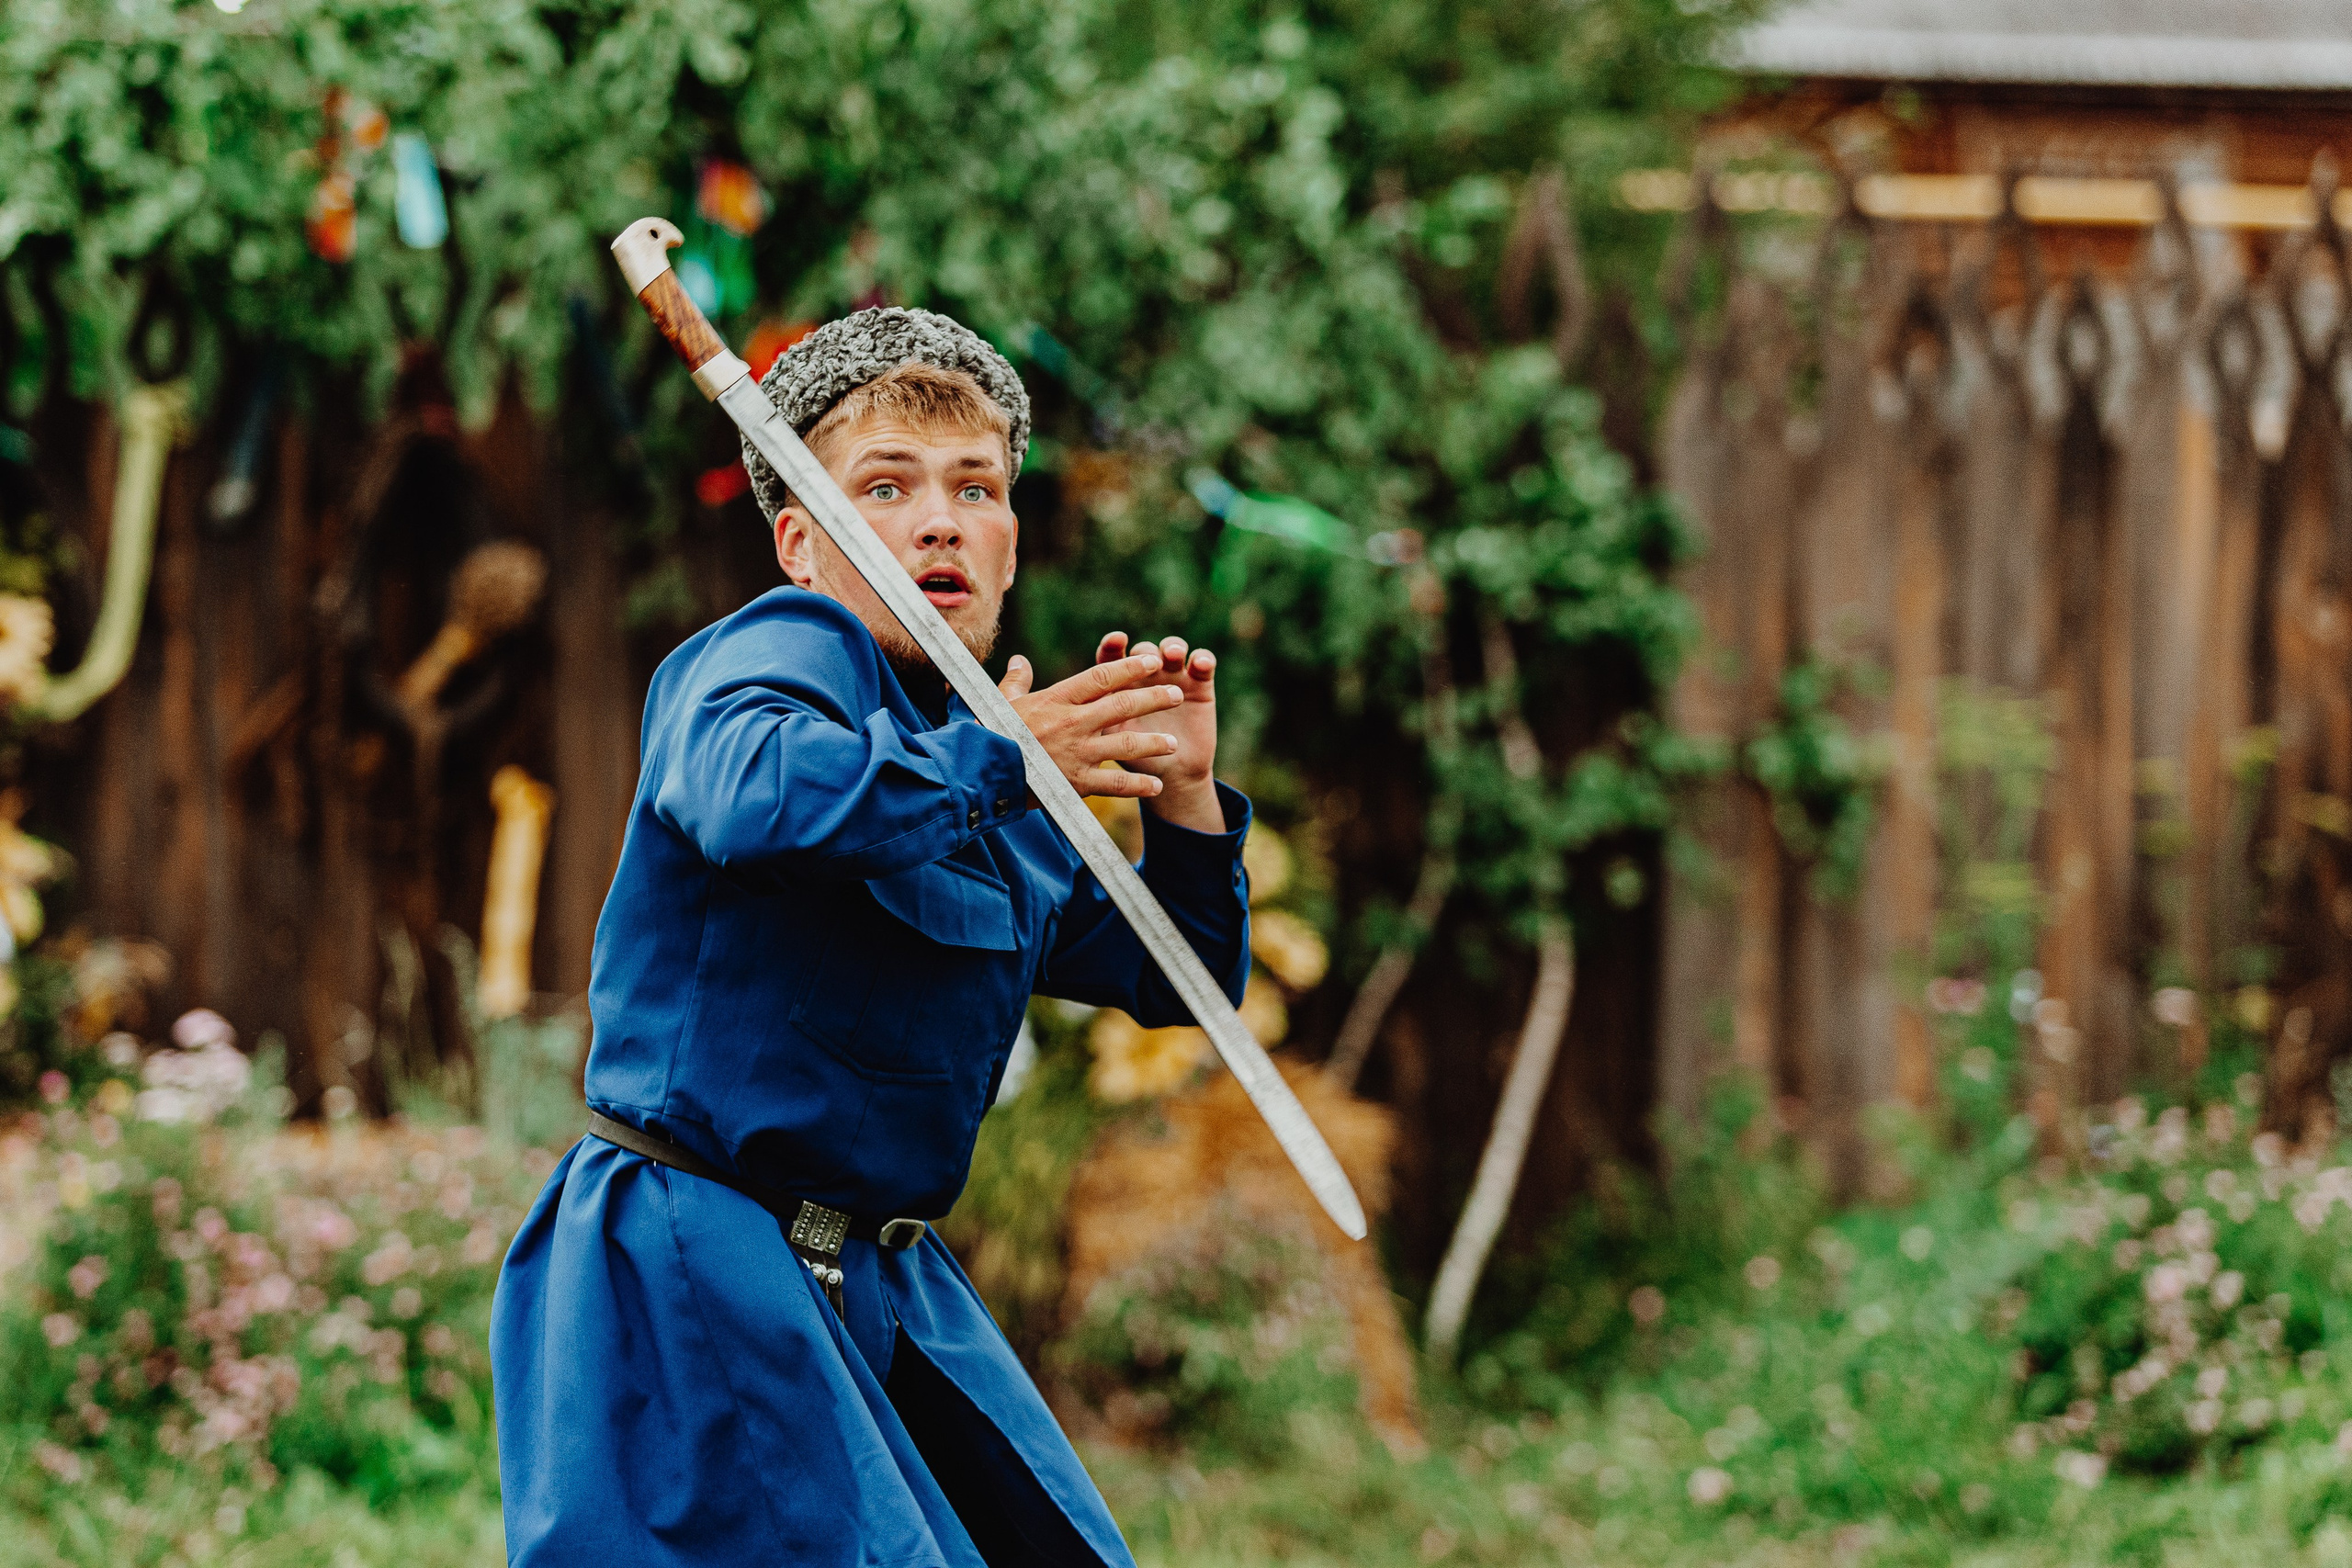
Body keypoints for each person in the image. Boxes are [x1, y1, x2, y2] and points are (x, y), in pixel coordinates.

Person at [490, 307, 1252, 1568]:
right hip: (699, 1263)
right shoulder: (776, 656)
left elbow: (1180, 983)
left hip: (884, 1286)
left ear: (1010, 548)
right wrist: (1002, 757)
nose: (937, 519)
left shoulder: (997, 776)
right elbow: (759, 797)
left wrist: (1181, 803)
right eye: (884, 486)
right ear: (803, 539)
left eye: (977, 488)